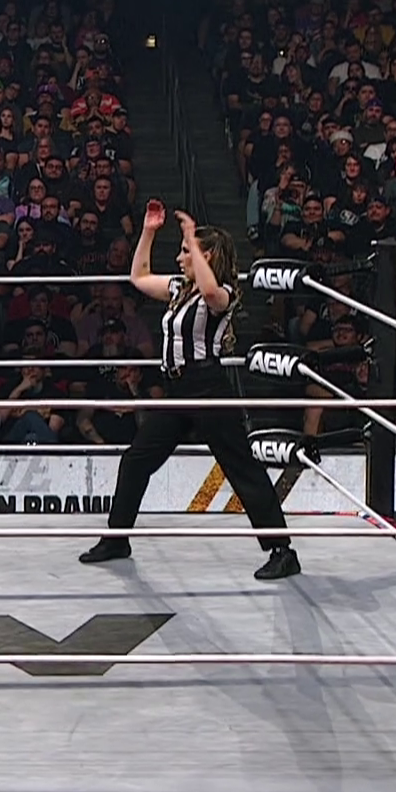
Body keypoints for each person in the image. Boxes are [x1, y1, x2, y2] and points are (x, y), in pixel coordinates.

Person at [79, 201, 301, 580]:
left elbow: (211, 292)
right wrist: (149, 231)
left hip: (208, 388)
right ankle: (117, 538)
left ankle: (282, 550)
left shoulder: (224, 293)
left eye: (186, 252)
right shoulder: (180, 289)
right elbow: (138, 277)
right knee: (136, 460)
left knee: (240, 467)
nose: (180, 258)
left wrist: (192, 240)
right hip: (177, 389)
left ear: (206, 255)